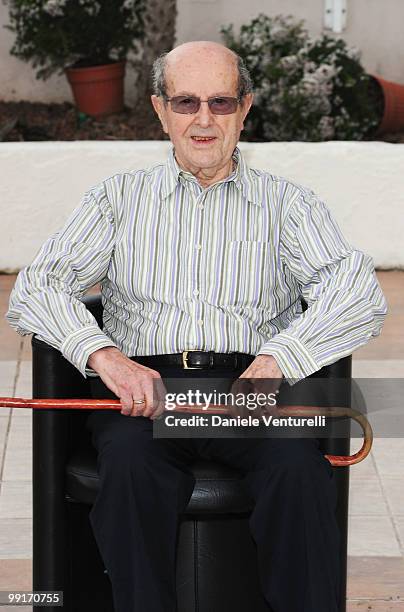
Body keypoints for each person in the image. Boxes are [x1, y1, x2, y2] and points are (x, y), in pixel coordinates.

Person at [6, 41, 387, 612]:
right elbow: (36, 287)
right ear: (160, 111)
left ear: (246, 108)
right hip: (145, 395)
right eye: (185, 102)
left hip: (251, 391)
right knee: (132, 469)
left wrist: (281, 359)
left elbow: (357, 292)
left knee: (298, 473)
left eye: (220, 101)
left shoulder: (289, 205)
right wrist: (105, 357)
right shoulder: (117, 200)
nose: (204, 119)